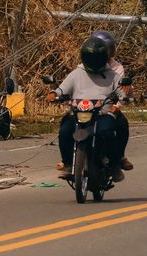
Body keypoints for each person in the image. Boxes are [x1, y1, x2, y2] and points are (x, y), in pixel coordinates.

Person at [48, 36, 128, 181]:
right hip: (78, 112)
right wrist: (54, 94)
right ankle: (67, 163)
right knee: (65, 131)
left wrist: (126, 93)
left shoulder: (113, 75)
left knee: (107, 132)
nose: (94, 62)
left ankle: (115, 165)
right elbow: (62, 89)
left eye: (97, 58)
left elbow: (122, 92)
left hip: (103, 113)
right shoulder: (76, 74)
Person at [91, 30, 133, 172]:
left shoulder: (116, 67)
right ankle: (68, 159)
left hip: (107, 105)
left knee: (122, 124)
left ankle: (119, 157)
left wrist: (118, 105)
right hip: (87, 105)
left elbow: (121, 89)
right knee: (69, 125)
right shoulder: (85, 65)